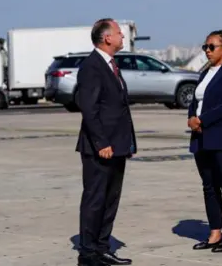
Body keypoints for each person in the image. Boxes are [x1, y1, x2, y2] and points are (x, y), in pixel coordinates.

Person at [76, 18, 136, 266]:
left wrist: (127, 143)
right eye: (119, 33)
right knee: (96, 199)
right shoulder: (92, 66)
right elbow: (89, 109)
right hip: (100, 147)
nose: (123, 37)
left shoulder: (112, 65)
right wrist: (102, 143)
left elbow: (118, 108)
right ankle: (88, 253)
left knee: (111, 199)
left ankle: (102, 248)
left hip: (117, 145)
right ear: (107, 38)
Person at [187, 29, 222, 253]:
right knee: (209, 186)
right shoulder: (205, 73)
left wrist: (202, 119)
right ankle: (214, 232)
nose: (207, 51)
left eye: (212, 47)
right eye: (205, 47)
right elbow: (196, 100)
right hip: (201, 137)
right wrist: (192, 118)